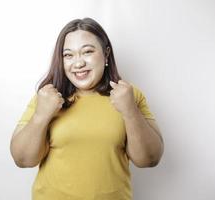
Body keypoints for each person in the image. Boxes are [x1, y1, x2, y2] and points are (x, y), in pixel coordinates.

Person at [10, 17, 164, 200]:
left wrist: (130, 111)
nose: (78, 63)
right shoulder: (46, 98)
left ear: (106, 54)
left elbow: (149, 159)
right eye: (68, 55)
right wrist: (41, 115)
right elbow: (23, 160)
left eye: (87, 52)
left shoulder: (129, 95)